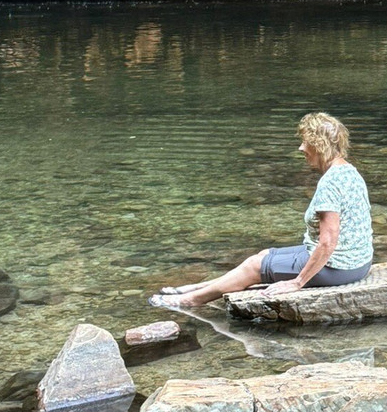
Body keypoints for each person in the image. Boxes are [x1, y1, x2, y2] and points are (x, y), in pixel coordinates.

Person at [150, 112, 374, 308]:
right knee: (264, 255)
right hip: (358, 263)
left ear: (319, 144)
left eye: (306, 142)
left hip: (340, 268)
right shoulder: (349, 171)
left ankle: (190, 300)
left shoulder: (330, 182)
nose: (301, 148)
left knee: (254, 266)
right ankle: (200, 287)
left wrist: (297, 283)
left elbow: (328, 240)